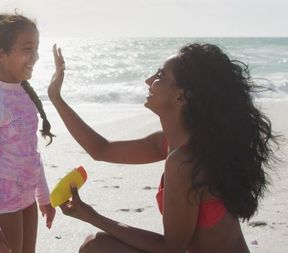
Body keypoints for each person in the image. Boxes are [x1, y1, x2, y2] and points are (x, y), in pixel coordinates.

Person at [47, 43, 279, 253]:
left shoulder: (185, 161)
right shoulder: (170, 142)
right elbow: (101, 150)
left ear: (181, 96)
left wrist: (91, 215)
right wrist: (56, 98)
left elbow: (171, 249)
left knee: (95, 248)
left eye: (160, 75)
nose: (149, 81)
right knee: (96, 246)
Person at [0, 13, 56, 253]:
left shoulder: (24, 93)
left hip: (26, 195)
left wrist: (44, 197)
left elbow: (31, 152)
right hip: (0, 203)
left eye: (36, 48)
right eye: (27, 49)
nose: (35, 57)